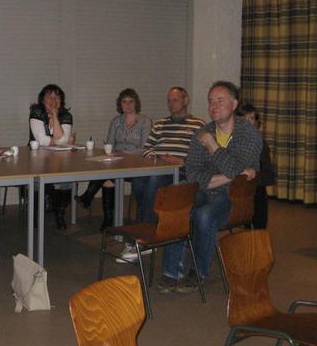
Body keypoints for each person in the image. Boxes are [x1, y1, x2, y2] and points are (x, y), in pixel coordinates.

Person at [158, 81, 261, 294]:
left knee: (203, 215)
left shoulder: (249, 134)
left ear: (234, 104)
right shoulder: (202, 133)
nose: (214, 106)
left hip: (233, 197)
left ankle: (198, 272)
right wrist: (232, 174)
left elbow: (234, 169)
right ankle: (171, 271)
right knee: (178, 204)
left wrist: (212, 145)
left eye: (220, 101)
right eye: (211, 101)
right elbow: (193, 173)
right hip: (203, 190)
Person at [115, 87, 204, 262]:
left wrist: (181, 161)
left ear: (186, 101)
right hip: (157, 166)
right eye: (169, 101)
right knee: (139, 181)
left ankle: (142, 240)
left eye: (175, 100)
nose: (171, 104)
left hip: (180, 171)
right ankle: (147, 230)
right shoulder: (160, 123)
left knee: (154, 182)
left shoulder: (198, 125)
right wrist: (157, 158)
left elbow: (201, 156)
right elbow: (147, 149)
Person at [75, 89, 150, 230]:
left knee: (108, 175)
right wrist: (111, 153)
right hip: (117, 161)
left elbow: (144, 148)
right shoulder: (116, 121)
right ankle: (108, 220)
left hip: (135, 163)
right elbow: (109, 144)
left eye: (131, 101)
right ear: (120, 104)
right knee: (107, 176)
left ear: (136, 103)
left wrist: (124, 154)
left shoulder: (144, 121)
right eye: (124, 102)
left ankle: (88, 198)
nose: (127, 105)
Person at [29, 84, 75, 231]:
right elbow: (42, 140)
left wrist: (55, 116)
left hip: (60, 158)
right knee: (39, 181)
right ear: (43, 99)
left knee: (66, 181)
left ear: (61, 100)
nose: (53, 100)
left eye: (57, 97)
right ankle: (36, 216)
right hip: (37, 157)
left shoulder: (66, 115)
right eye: (49, 97)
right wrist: (61, 140)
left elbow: (62, 141)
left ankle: (59, 214)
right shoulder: (36, 112)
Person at [238, 103, 275, 229]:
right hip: (237, 188)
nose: (248, 123)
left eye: (251, 119)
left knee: (258, 198)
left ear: (257, 122)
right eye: (244, 120)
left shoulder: (261, 144)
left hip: (255, 187)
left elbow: (267, 175)